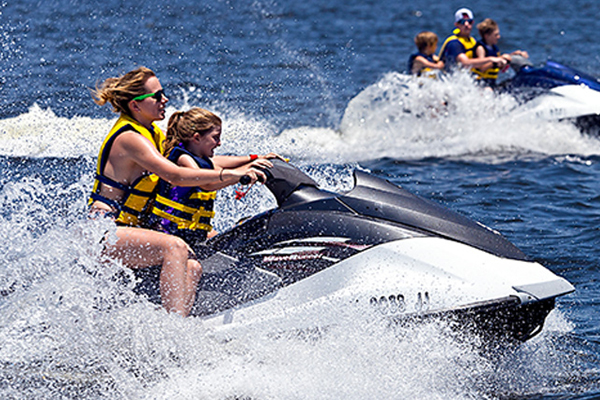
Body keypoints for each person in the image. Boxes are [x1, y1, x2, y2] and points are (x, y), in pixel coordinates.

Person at [89, 67, 269, 317]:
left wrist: (251, 161)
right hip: (105, 233)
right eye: (157, 95)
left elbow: (196, 165)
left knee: (193, 266)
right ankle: (175, 331)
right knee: (175, 247)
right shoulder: (130, 138)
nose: (165, 100)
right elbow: (176, 176)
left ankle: (184, 322)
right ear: (135, 105)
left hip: (133, 230)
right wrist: (234, 176)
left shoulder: (152, 134)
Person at [150, 107, 281, 254]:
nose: (219, 143)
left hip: (190, 233)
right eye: (215, 137)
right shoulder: (183, 159)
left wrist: (256, 159)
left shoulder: (201, 159)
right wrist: (239, 175)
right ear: (197, 138)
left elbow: (223, 162)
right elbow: (207, 183)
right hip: (170, 233)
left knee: (229, 247)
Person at [438, 8, 507, 73]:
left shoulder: (472, 41)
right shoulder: (454, 43)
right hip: (449, 79)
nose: (466, 24)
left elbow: (480, 64)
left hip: (466, 78)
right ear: (456, 24)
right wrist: (490, 59)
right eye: (462, 22)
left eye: (469, 22)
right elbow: (465, 63)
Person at [472, 18, 529, 87]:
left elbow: (498, 59)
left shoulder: (493, 48)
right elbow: (482, 68)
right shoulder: (480, 48)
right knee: (489, 92)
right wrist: (497, 60)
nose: (498, 37)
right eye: (496, 35)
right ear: (487, 36)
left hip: (492, 82)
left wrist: (514, 55)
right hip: (481, 83)